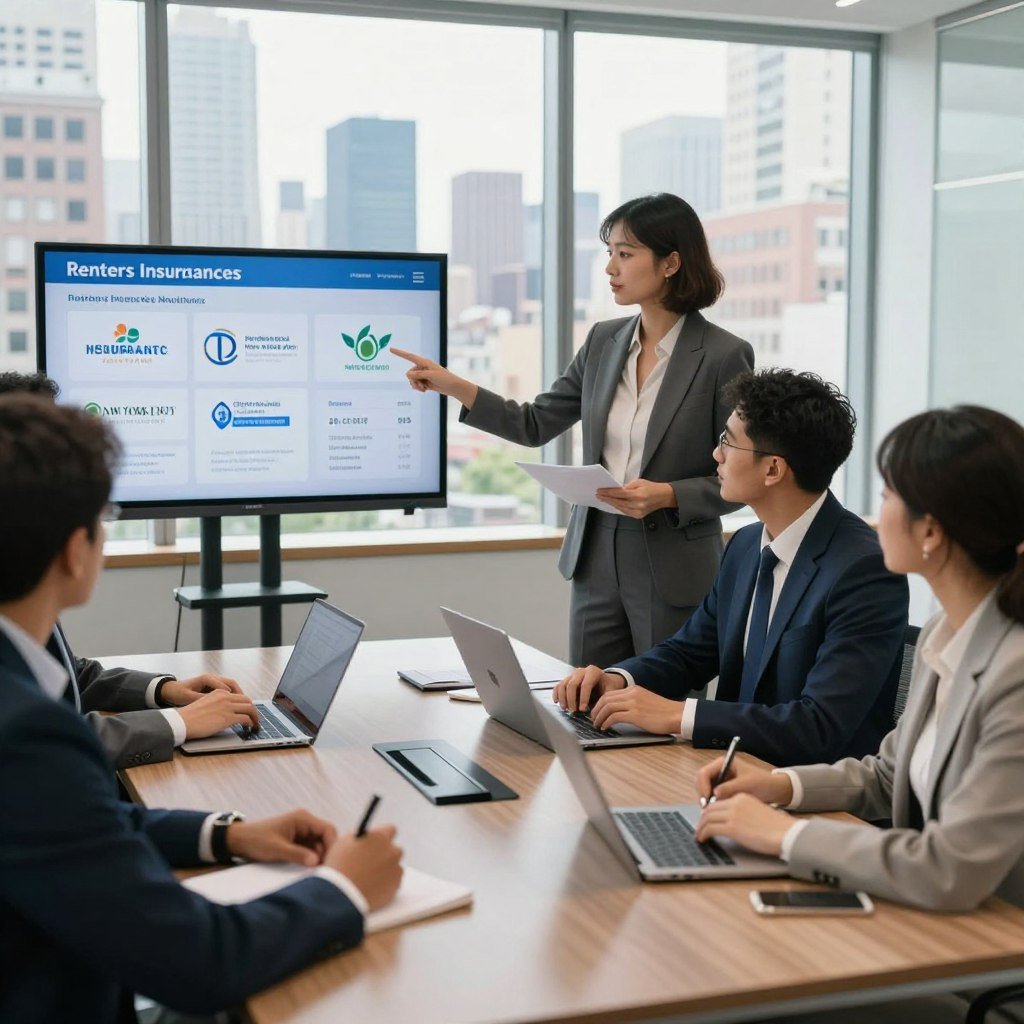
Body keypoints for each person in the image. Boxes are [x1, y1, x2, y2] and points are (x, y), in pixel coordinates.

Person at [0, 393, 404, 1024]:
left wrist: (226, 834)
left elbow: (74, 826)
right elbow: (200, 961)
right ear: (76, 550)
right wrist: (345, 889)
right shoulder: (24, 733)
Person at [393, 193, 754, 666]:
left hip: (672, 561)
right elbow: (535, 423)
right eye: (610, 254)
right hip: (596, 552)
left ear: (670, 263)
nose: (610, 268)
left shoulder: (724, 355)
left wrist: (667, 494)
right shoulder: (604, 341)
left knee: (659, 702)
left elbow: (741, 479)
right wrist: (453, 385)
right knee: (587, 698)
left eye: (625, 254)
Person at [693, 405, 1024, 911]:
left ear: (930, 532)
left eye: (888, 495)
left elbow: (949, 867)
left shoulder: (1014, 672)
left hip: (990, 941)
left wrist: (785, 837)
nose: (875, 511)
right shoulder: (948, 630)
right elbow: (887, 775)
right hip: (929, 917)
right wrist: (779, 785)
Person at [555, 369, 909, 767]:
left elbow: (820, 725)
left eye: (728, 441)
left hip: (814, 794)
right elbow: (690, 652)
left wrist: (677, 715)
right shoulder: (744, 544)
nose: (716, 455)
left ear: (773, 469)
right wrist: (617, 679)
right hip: (730, 769)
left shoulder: (864, 570)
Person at [0, 371, 258, 769]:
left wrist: (165, 691)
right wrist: (178, 723)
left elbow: (71, 677)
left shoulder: (23, 588)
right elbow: (48, 743)